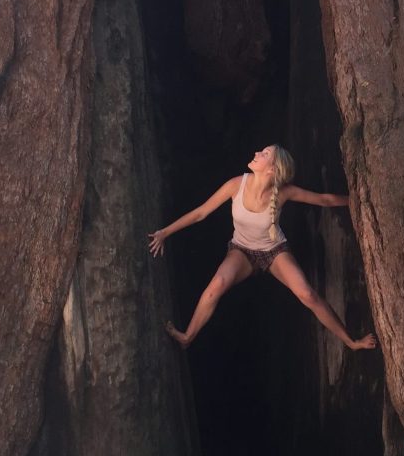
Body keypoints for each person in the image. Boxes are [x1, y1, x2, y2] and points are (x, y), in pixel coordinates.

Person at [148, 144, 378, 351]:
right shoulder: (236, 185)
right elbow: (201, 212)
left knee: (306, 294)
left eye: (265, 153)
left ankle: (351, 342)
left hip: (274, 251)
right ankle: (188, 337)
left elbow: (324, 200)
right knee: (217, 284)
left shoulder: (284, 193)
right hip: (241, 250)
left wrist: (355, 198)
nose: (257, 153)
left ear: (272, 170)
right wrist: (164, 233)